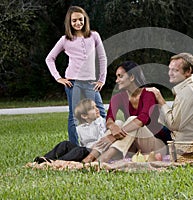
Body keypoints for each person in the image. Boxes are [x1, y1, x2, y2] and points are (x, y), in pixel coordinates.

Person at [82, 61, 171, 163]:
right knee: (118, 123)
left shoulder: (148, 94)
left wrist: (112, 136)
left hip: (155, 146)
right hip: (132, 145)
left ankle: (104, 158)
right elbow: (109, 118)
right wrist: (112, 126)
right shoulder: (118, 97)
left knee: (133, 119)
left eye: (120, 76)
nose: (116, 80)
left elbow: (143, 119)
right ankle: (91, 157)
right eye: (116, 77)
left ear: (132, 77)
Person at [45, 6, 107, 146]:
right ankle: (75, 147)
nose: (78, 23)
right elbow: (49, 58)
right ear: (69, 22)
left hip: (91, 82)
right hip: (73, 83)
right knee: (74, 117)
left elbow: (102, 58)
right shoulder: (65, 40)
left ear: (85, 19)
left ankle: (105, 143)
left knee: (101, 112)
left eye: (80, 19)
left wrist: (101, 79)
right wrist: (58, 77)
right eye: (74, 20)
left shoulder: (94, 36)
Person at [146, 52, 193, 141]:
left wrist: (159, 98)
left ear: (188, 71)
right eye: (170, 69)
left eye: (175, 70)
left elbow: (173, 125)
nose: (170, 73)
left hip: (183, 143)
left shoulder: (187, 92)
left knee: (140, 128)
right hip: (189, 137)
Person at [34, 99, 106, 164]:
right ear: (84, 116)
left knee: (79, 150)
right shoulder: (80, 128)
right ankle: (45, 159)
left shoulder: (101, 122)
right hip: (83, 150)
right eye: (92, 108)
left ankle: (57, 162)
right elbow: (82, 143)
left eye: (96, 106)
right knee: (65, 144)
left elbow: (102, 139)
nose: (97, 109)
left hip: (95, 152)